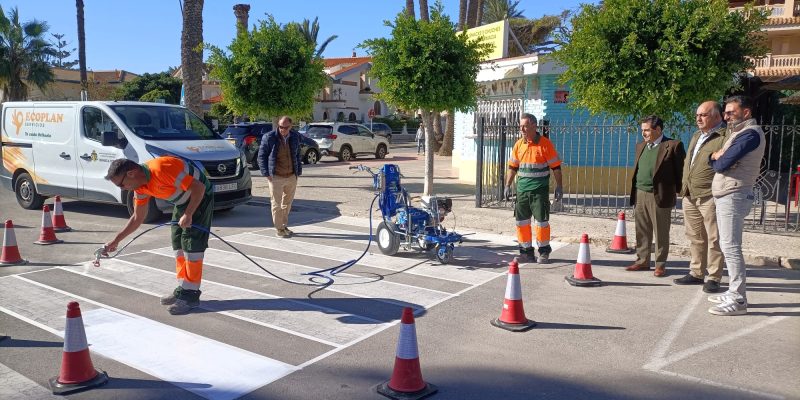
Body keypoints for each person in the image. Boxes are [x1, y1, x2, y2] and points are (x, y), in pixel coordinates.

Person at [104, 156, 213, 315]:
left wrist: (189, 214)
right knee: (178, 244)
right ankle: (183, 288)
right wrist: (115, 241)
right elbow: (137, 217)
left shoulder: (161, 169)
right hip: (182, 202)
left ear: (132, 173)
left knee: (192, 247)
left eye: (121, 184)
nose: (123, 189)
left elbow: (199, 188)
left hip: (200, 198)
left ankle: (191, 296)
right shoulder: (140, 187)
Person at [707, 95, 765, 316]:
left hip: (735, 194)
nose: (726, 116)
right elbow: (720, 160)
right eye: (725, 112)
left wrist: (714, 157)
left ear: (746, 112)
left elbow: (722, 163)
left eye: (731, 112)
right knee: (727, 245)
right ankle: (733, 292)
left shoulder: (750, 134)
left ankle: (739, 299)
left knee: (731, 247)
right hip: (728, 194)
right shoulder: (738, 133)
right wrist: (716, 157)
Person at [673, 101, 727, 293]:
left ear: (717, 116)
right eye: (697, 115)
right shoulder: (697, 136)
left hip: (709, 195)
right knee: (695, 236)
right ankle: (696, 272)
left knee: (714, 238)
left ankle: (714, 277)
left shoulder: (724, 136)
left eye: (703, 115)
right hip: (690, 194)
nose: (698, 118)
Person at [626, 115, 686, 277]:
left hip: (659, 195)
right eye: (642, 130)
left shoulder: (673, 146)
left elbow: (681, 171)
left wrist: (680, 192)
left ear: (658, 129)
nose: (643, 134)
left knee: (661, 231)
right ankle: (642, 260)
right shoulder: (641, 146)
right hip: (640, 192)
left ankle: (660, 264)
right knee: (642, 229)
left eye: (646, 130)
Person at [504, 113, 563, 264]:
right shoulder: (518, 145)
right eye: (520, 126)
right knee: (521, 223)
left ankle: (543, 252)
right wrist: (507, 185)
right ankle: (526, 253)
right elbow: (512, 167)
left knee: (541, 223)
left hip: (539, 191)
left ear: (534, 126)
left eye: (524, 125)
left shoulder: (545, 144)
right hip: (522, 191)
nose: (521, 129)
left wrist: (559, 186)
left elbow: (556, 167)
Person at [258, 116, 303, 238]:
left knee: (287, 203)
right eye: (281, 127)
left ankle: (283, 225)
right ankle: (279, 229)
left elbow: (298, 154)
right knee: (276, 204)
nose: (282, 129)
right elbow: (261, 156)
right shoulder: (269, 137)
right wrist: (266, 173)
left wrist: (298, 172)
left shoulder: (295, 136)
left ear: (291, 126)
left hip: (291, 176)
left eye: (285, 127)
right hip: (276, 176)